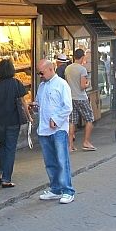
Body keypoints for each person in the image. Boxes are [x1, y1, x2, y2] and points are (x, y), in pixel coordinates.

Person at [0, 59, 30, 188]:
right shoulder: (16, 83)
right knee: (10, 148)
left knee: (3, 145)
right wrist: (29, 116)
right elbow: (23, 102)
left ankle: (1, 173)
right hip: (13, 120)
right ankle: (6, 179)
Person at [34, 59, 74, 204]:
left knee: (62, 160)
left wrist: (56, 119)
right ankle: (56, 188)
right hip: (44, 129)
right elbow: (40, 102)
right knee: (50, 161)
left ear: (51, 69)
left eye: (41, 72)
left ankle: (68, 190)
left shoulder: (62, 84)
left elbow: (68, 107)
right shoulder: (42, 86)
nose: (40, 75)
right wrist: (35, 105)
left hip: (58, 130)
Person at [65, 49, 96, 152]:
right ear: (82, 57)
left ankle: (70, 145)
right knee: (90, 118)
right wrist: (88, 84)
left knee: (72, 121)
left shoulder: (68, 68)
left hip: (71, 97)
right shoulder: (82, 69)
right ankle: (86, 142)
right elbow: (83, 86)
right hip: (81, 97)